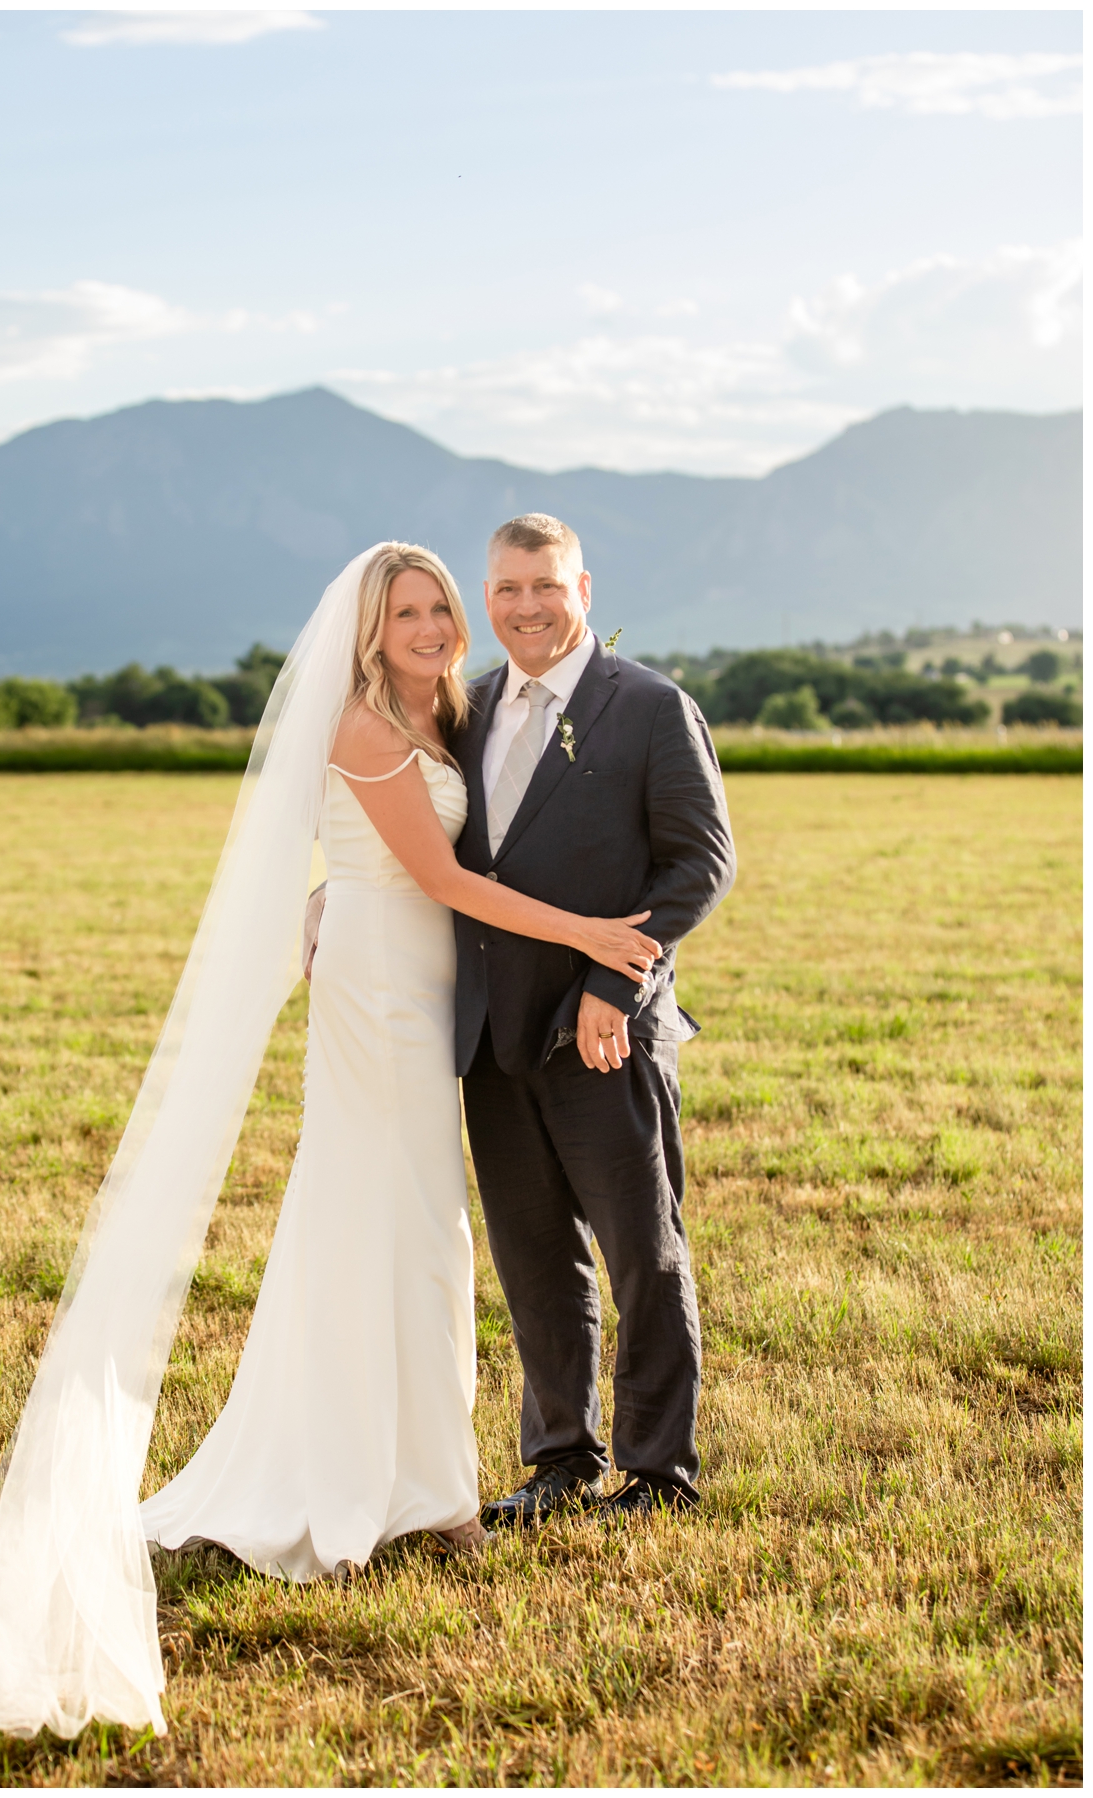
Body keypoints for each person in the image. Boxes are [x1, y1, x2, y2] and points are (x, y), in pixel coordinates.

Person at [0, 541, 670, 1741]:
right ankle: (360, 1499)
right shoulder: (365, 724)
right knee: (386, 1227)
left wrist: (330, 885)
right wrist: (586, 932)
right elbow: (444, 878)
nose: (427, 626)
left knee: (423, 1232)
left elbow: (445, 854)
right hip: (377, 995)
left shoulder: (448, 711)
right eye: (404, 611)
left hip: (423, 992)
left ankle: (431, 1487)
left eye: (437, 608)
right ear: (367, 629)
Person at [452, 514, 734, 1528]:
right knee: (533, 1259)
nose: (525, 606)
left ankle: (658, 1473)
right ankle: (559, 1460)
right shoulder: (468, 707)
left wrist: (619, 987)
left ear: (583, 588)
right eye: (507, 588)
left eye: (545, 585)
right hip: (491, 1037)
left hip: (604, 1029)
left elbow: (700, 864)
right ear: (486, 597)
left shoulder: (651, 707)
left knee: (641, 1253)